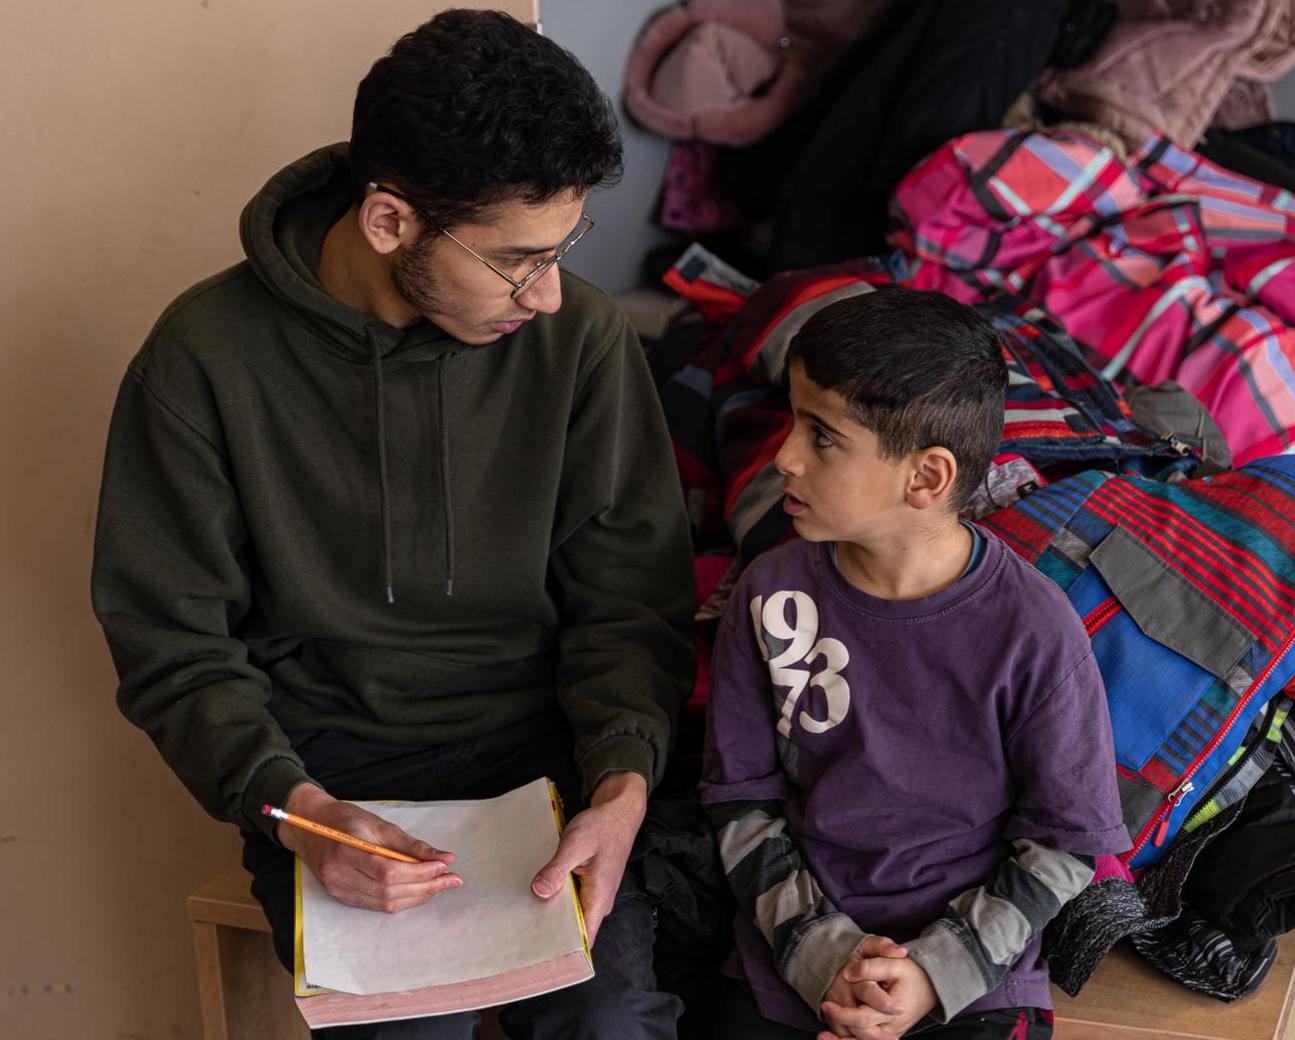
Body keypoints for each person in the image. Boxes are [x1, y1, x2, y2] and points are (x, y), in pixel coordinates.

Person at [91, 11, 693, 1039]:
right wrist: (295, 810)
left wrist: (624, 778)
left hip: (545, 759)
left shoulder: (580, 343)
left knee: (617, 1024)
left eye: (564, 247)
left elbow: (628, 602)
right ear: (387, 222)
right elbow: (172, 646)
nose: (547, 295)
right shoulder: (201, 359)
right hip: (327, 768)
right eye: (515, 260)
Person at [699, 287, 1130, 1040]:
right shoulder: (768, 590)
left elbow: (1064, 842)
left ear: (926, 478)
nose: (784, 459)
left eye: (822, 436)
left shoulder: (1032, 629)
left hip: (975, 975)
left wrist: (933, 975)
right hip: (791, 954)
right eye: (791, 423)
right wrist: (822, 956)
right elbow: (739, 801)